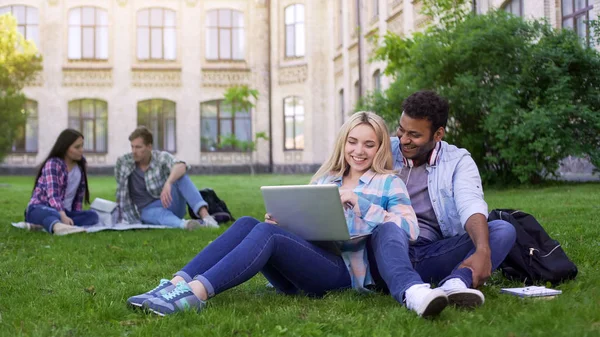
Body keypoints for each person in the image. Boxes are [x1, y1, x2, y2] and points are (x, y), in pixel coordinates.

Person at [126, 111, 422, 316]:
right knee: (249, 224)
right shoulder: (326, 179)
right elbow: (305, 224)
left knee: (266, 233)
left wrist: (361, 205)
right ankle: (174, 285)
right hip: (303, 266)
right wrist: (284, 222)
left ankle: (195, 295)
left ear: (381, 147)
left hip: (342, 274)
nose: (359, 151)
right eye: (353, 142)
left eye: (369, 144)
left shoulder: (388, 182)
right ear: (343, 143)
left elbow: (410, 228)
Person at [367, 90, 517, 317]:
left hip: (431, 252)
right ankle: (412, 292)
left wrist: (483, 250)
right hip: (387, 247)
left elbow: (471, 205)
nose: (403, 140)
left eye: (414, 135)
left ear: (438, 134)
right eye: (401, 129)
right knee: (390, 226)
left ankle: (455, 283)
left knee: (503, 230)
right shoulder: (383, 150)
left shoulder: (457, 161)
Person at [115, 126, 218, 229]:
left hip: (168, 202)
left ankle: (207, 217)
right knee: (155, 213)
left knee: (180, 177)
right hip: (145, 210)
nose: (133, 151)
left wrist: (168, 182)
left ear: (149, 147)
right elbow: (120, 191)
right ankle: (185, 225)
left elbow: (181, 165)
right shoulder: (124, 162)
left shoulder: (161, 158)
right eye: (132, 146)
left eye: (138, 147)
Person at [25, 129, 99, 236]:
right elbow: (53, 195)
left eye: (82, 146)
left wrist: (72, 215)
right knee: (51, 214)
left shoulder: (80, 167)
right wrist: (62, 215)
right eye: (77, 147)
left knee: (93, 216)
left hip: (65, 212)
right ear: (65, 148)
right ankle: (57, 226)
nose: (81, 150)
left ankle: (45, 225)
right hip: (40, 208)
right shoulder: (53, 164)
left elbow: (78, 199)